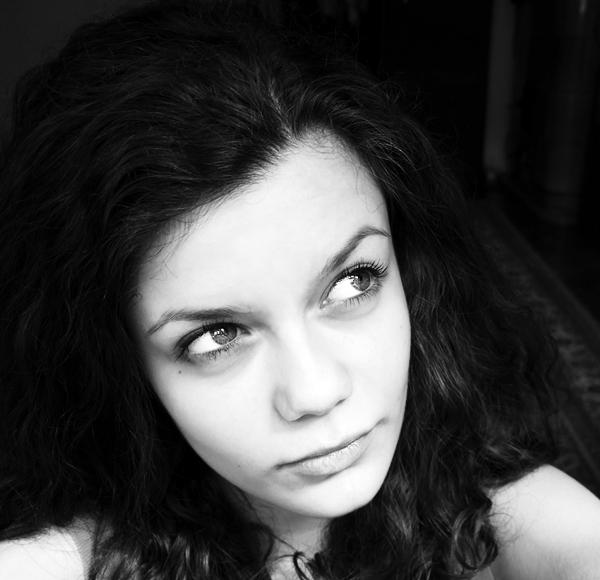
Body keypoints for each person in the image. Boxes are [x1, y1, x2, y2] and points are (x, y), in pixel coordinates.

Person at [0, 1, 599, 578]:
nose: (316, 392)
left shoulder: (500, 507)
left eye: (352, 282)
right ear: (120, 360)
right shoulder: (82, 557)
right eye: (217, 336)